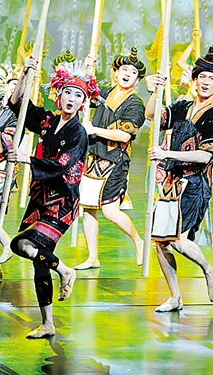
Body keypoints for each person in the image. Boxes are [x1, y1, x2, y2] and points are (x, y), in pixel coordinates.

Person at [7, 56, 97, 339]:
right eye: (68, 92)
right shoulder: (48, 121)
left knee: (21, 244)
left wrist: (25, 159)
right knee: (38, 261)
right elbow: (17, 104)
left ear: (83, 103)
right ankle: (48, 323)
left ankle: (65, 270)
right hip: (39, 199)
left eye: (78, 95)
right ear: (59, 95)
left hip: (62, 203)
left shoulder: (78, 132)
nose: (71, 99)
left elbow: (62, 165)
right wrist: (25, 72)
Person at [146, 45, 213, 312]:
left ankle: (208, 269)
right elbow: (152, 115)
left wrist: (166, 153)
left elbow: (206, 156)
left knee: (178, 240)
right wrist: (156, 90)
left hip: (193, 185)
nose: (205, 82)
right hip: (171, 184)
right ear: (195, 79)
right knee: (161, 242)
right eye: (202, 77)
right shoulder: (183, 106)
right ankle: (175, 297)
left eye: (211, 79)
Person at [75, 49, 146, 270]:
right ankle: (92, 257)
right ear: (115, 73)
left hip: (115, 160)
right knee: (88, 208)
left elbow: (124, 135)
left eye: (133, 72)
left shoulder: (135, 104)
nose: (127, 74)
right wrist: (88, 67)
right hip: (93, 157)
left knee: (110, 211)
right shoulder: (105, 92)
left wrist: (94, 129)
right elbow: (84, 91)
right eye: (124, 69)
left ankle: (139, 242)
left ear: (137, 79)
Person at [0, 67, 20, 279]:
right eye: (11, 84)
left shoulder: (18, 113)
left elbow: (10, 141)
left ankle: (7, 244)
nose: (13, 88)